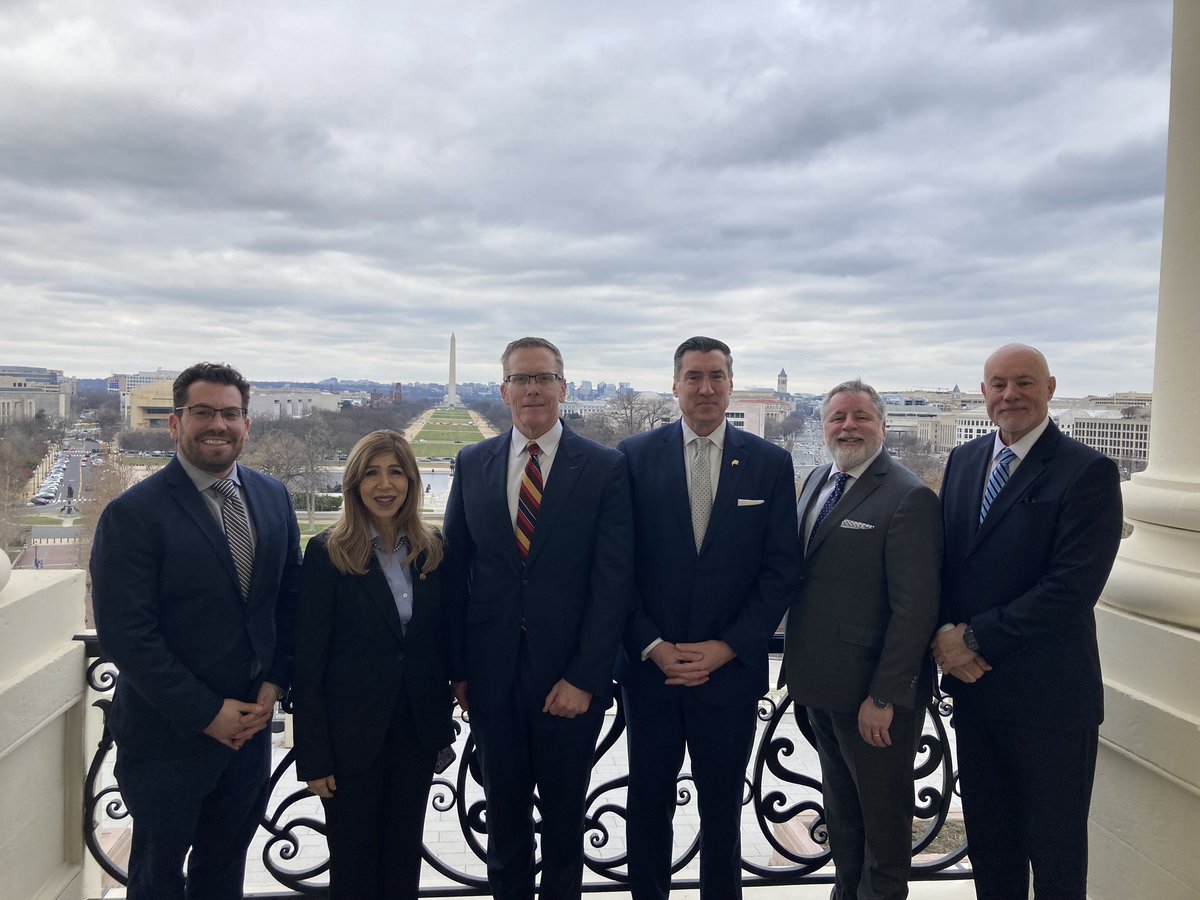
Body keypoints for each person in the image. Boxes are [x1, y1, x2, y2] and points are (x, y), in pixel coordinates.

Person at [90, 362, 301, 900]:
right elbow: (126, 635)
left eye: (230, 413)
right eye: (203, 412)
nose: (218, 425)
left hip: (251, 734)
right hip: (168, 740)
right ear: (175, 423)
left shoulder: (273, 497)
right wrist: (208, 713)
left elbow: (290, 599)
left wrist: (274, 683)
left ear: (246, 425)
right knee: (157, 880)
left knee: (223, 874)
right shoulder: (133, 514)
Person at [443, 336, 633, 900]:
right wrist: (459, 670)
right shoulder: (473, 462)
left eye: (544, 378)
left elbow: (613, 583)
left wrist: (586, 677)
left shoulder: (603, 467)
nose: (533, 389)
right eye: (522, 379)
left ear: (563, 388)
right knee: (504, 827)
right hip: (492, 678)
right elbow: (456, 571)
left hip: (567, 680)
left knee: (564, 829)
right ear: (504, 391)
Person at [931, 344, 1123, 900]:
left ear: (1051, 387)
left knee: (1057, 857)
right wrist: (945, 637)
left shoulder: (1087, 471)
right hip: (976, 695)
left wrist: (970, 639)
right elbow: (947, 562)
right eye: (998, 384)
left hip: (1050, 702)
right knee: (992, 851)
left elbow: (1071, 589)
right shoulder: (964, 461)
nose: (1009, 394)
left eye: (1024, 383)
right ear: (983, 391)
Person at [616, 336, 802, 900]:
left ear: (730, 384)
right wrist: (651, 643)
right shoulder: (631, 457)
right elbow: (614, 566)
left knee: (723, 811)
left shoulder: (770, 463)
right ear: (675, 385)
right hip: (653, 672)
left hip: (730, 674)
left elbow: (780, 571)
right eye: (693, 376)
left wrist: (729, 647)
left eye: (716, 376)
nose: (705, 388)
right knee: (647, 805)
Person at [785, 379, 942, 900]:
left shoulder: (908, 495)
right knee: (845, 820)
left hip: (873, 700)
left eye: (860, 417)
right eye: (837, 417)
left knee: (883, 831)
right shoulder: (815, 481)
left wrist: (884, 697)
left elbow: (914, 610)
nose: (847, 426)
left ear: (882, 425)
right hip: (822, 689)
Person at [293, 429, 452, 899]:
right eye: (372, 474)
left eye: (395, 472)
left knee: (403, 860)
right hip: (349, 742)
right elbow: (310, 661)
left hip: (415, 733)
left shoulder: (432, 548)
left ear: (411, 480)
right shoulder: (327, 553)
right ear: (354, 485)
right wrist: (314, 755)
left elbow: (437, 642)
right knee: (354, 866)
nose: (385, 485)